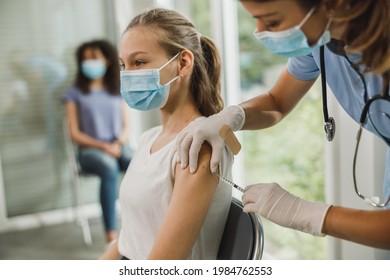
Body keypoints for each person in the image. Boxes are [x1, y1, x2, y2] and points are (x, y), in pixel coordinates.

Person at [176, 0, 390, 250]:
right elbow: (277, 101)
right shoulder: (321, 39)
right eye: (255, 19)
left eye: (272, 21)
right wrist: (233, 116)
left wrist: (307, 214)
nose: (260, 32)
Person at [99, 8, 233, 260]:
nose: (127, 75)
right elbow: (131, 235)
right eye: (123, 65)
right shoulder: (149, 138)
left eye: (139, 62)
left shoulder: (197, 147)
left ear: (183, 63)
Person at [63, 39, 133, 243]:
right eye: (84, 59)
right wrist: (103, 146)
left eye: (93, 58)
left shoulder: (116, 90)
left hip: (116, 146)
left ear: (108, 60)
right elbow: (74, 134)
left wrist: (117, 143)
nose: (89, 63)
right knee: (109, 167)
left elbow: (126, 127)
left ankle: (139, 222)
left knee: (137, 162)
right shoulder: (74, 93)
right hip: (89, 151)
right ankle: (111, 233)